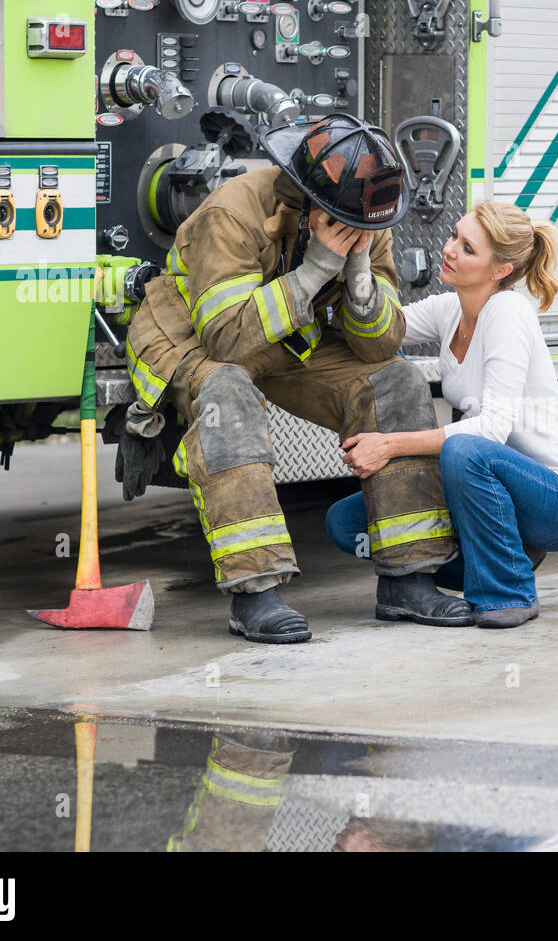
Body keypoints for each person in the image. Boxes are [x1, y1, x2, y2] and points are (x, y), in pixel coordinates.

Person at [117, 114, 470, 644]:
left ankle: (409, 580)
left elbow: (381, 343)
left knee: (396, 382)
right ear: (311, 202)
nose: (365, 232)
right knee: (228, 393)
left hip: (286, 334)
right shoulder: (232, 213)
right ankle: (254, 592)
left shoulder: (365, 213)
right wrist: (316, 268)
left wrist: (356, 275)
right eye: (348, 223)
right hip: (193, 333)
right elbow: (228, 341)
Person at [325, 201, 558, 628]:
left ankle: (508, 591)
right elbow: (377, 330)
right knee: (347, 521)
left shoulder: (508, 313)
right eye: (455, 236)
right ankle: (503, 552)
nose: (450, 249)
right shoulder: (448, 309)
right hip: (491, 487)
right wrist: (346, 263)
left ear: (499, 271)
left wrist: (390, 445)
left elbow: (491, 430)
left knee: (465, 450)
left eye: (468, 248)